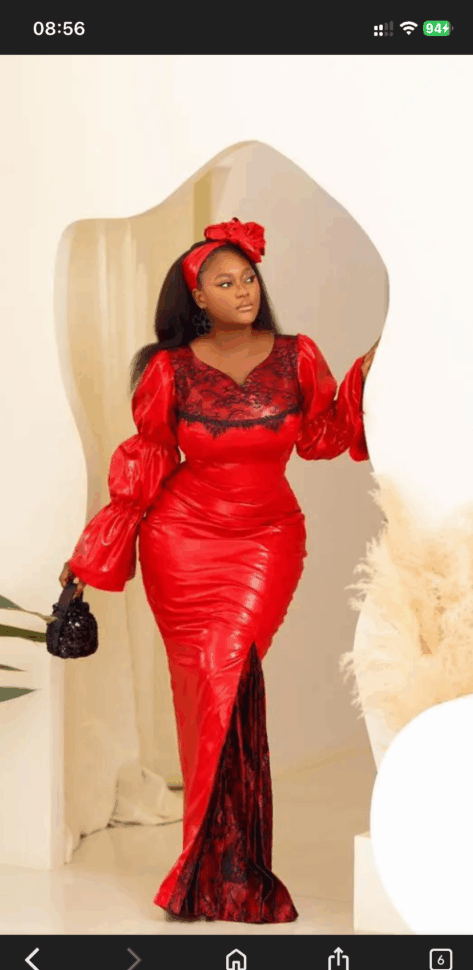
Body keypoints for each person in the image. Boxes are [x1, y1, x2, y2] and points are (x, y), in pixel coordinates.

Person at [61, 217, 379, 924]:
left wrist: (367, 369)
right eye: (225, 281)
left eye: (249, 277)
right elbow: (145, 465)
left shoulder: (297, 355)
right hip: (180, 541)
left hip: (267, 540)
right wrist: (89, 558)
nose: (243, 290)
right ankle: (212, 870)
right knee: (206, 689)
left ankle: (222, 867)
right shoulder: (168, 368)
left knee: (226, 671)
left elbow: (322, 436)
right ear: (197, 297)